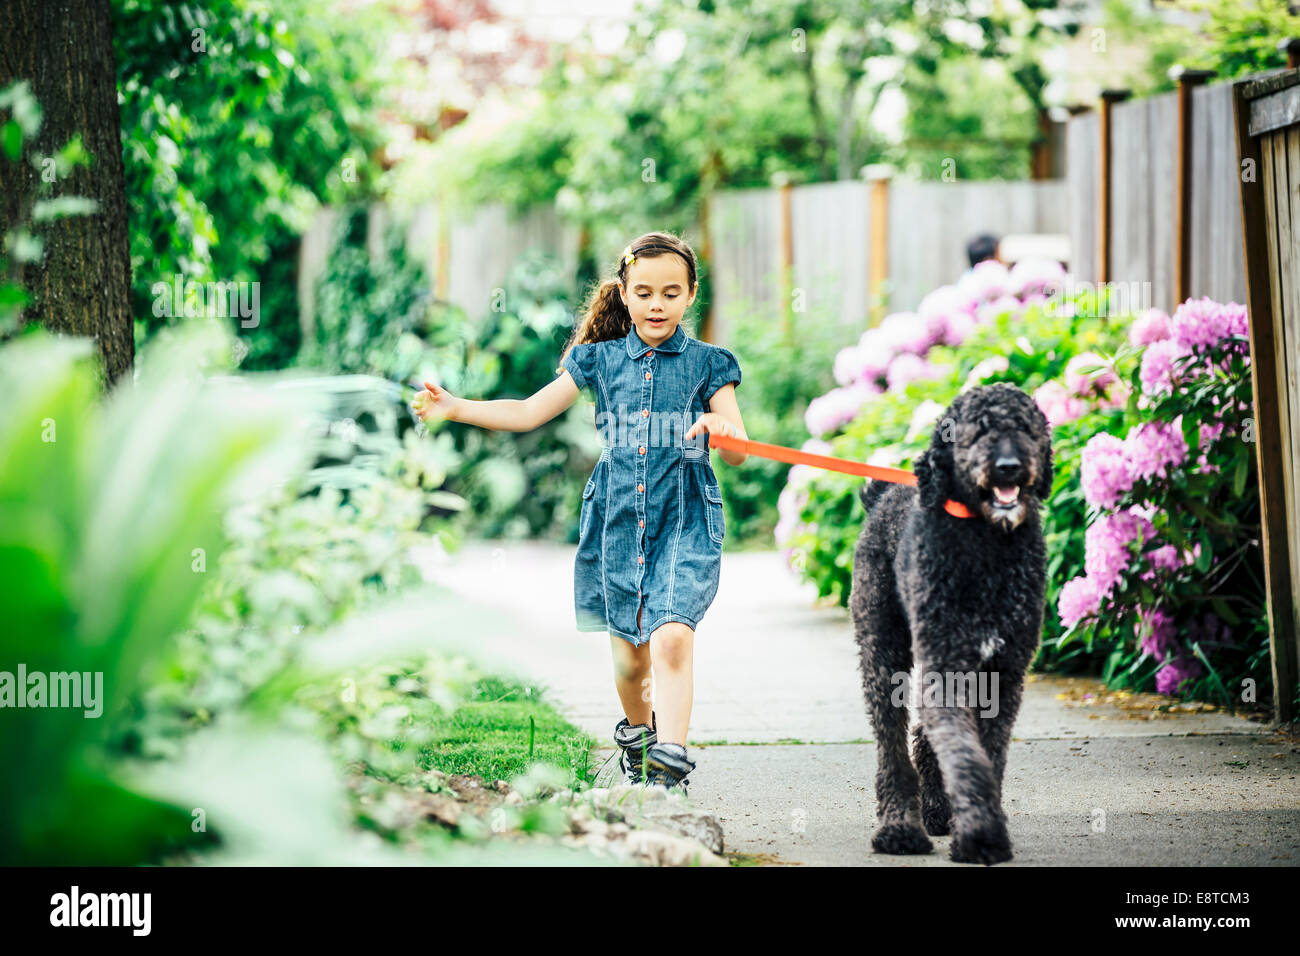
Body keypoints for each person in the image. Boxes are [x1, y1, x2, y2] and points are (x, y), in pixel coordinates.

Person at [412, 231, 747, 791]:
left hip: (685, 519)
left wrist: (721, 428)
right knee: (631, 661)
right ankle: (639, 742)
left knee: (671, 636)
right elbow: (528, 412)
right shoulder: (598, 360)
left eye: (671, 293)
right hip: (617, 522)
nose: (657, 304)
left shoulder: (710, 365)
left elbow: (737, 450)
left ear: (691, 295)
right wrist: (457, 407)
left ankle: (669, 767)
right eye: (644, 292)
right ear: (624, 292)